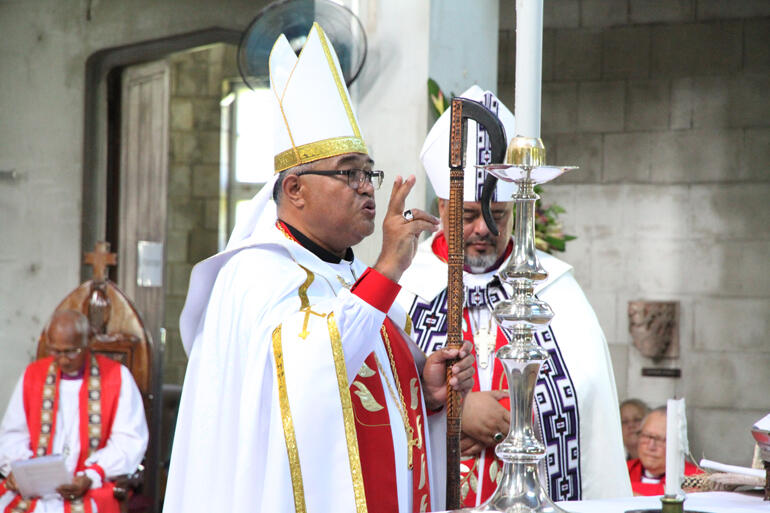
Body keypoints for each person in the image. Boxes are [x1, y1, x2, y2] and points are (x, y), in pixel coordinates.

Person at [163, 23, 475, 513]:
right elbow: (306, 379)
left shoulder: (349, 278)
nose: (367, 187)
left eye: (367, 171)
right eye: (348, 173)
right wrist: (390, 265)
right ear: (295, 190)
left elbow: (372, 398)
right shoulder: (254, 276)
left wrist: (427, 390)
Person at [396, 85, 632, 507]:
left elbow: (586, 403)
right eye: (468, 215)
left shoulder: (553, 289)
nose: (484, 228)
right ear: (441, 205)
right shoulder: (405, 291)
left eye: (497, 216)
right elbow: (375, 408)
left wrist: (511, 423)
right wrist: (454, 414)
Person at [0, 310, 148, 513]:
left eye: (71, 351)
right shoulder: (33, 375)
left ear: (88, 344)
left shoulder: (117, 377)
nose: (63, 360)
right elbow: (13, 434)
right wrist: (20, 471)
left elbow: (129, 441)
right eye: (56, 351)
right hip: (35, 488)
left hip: (90, 487)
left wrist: (91, 475)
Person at [627, 407, 701, 496]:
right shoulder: (624, 470)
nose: (651, 446)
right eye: (647, 436)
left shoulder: (695, 478)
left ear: (677, 444)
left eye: (660, 439)